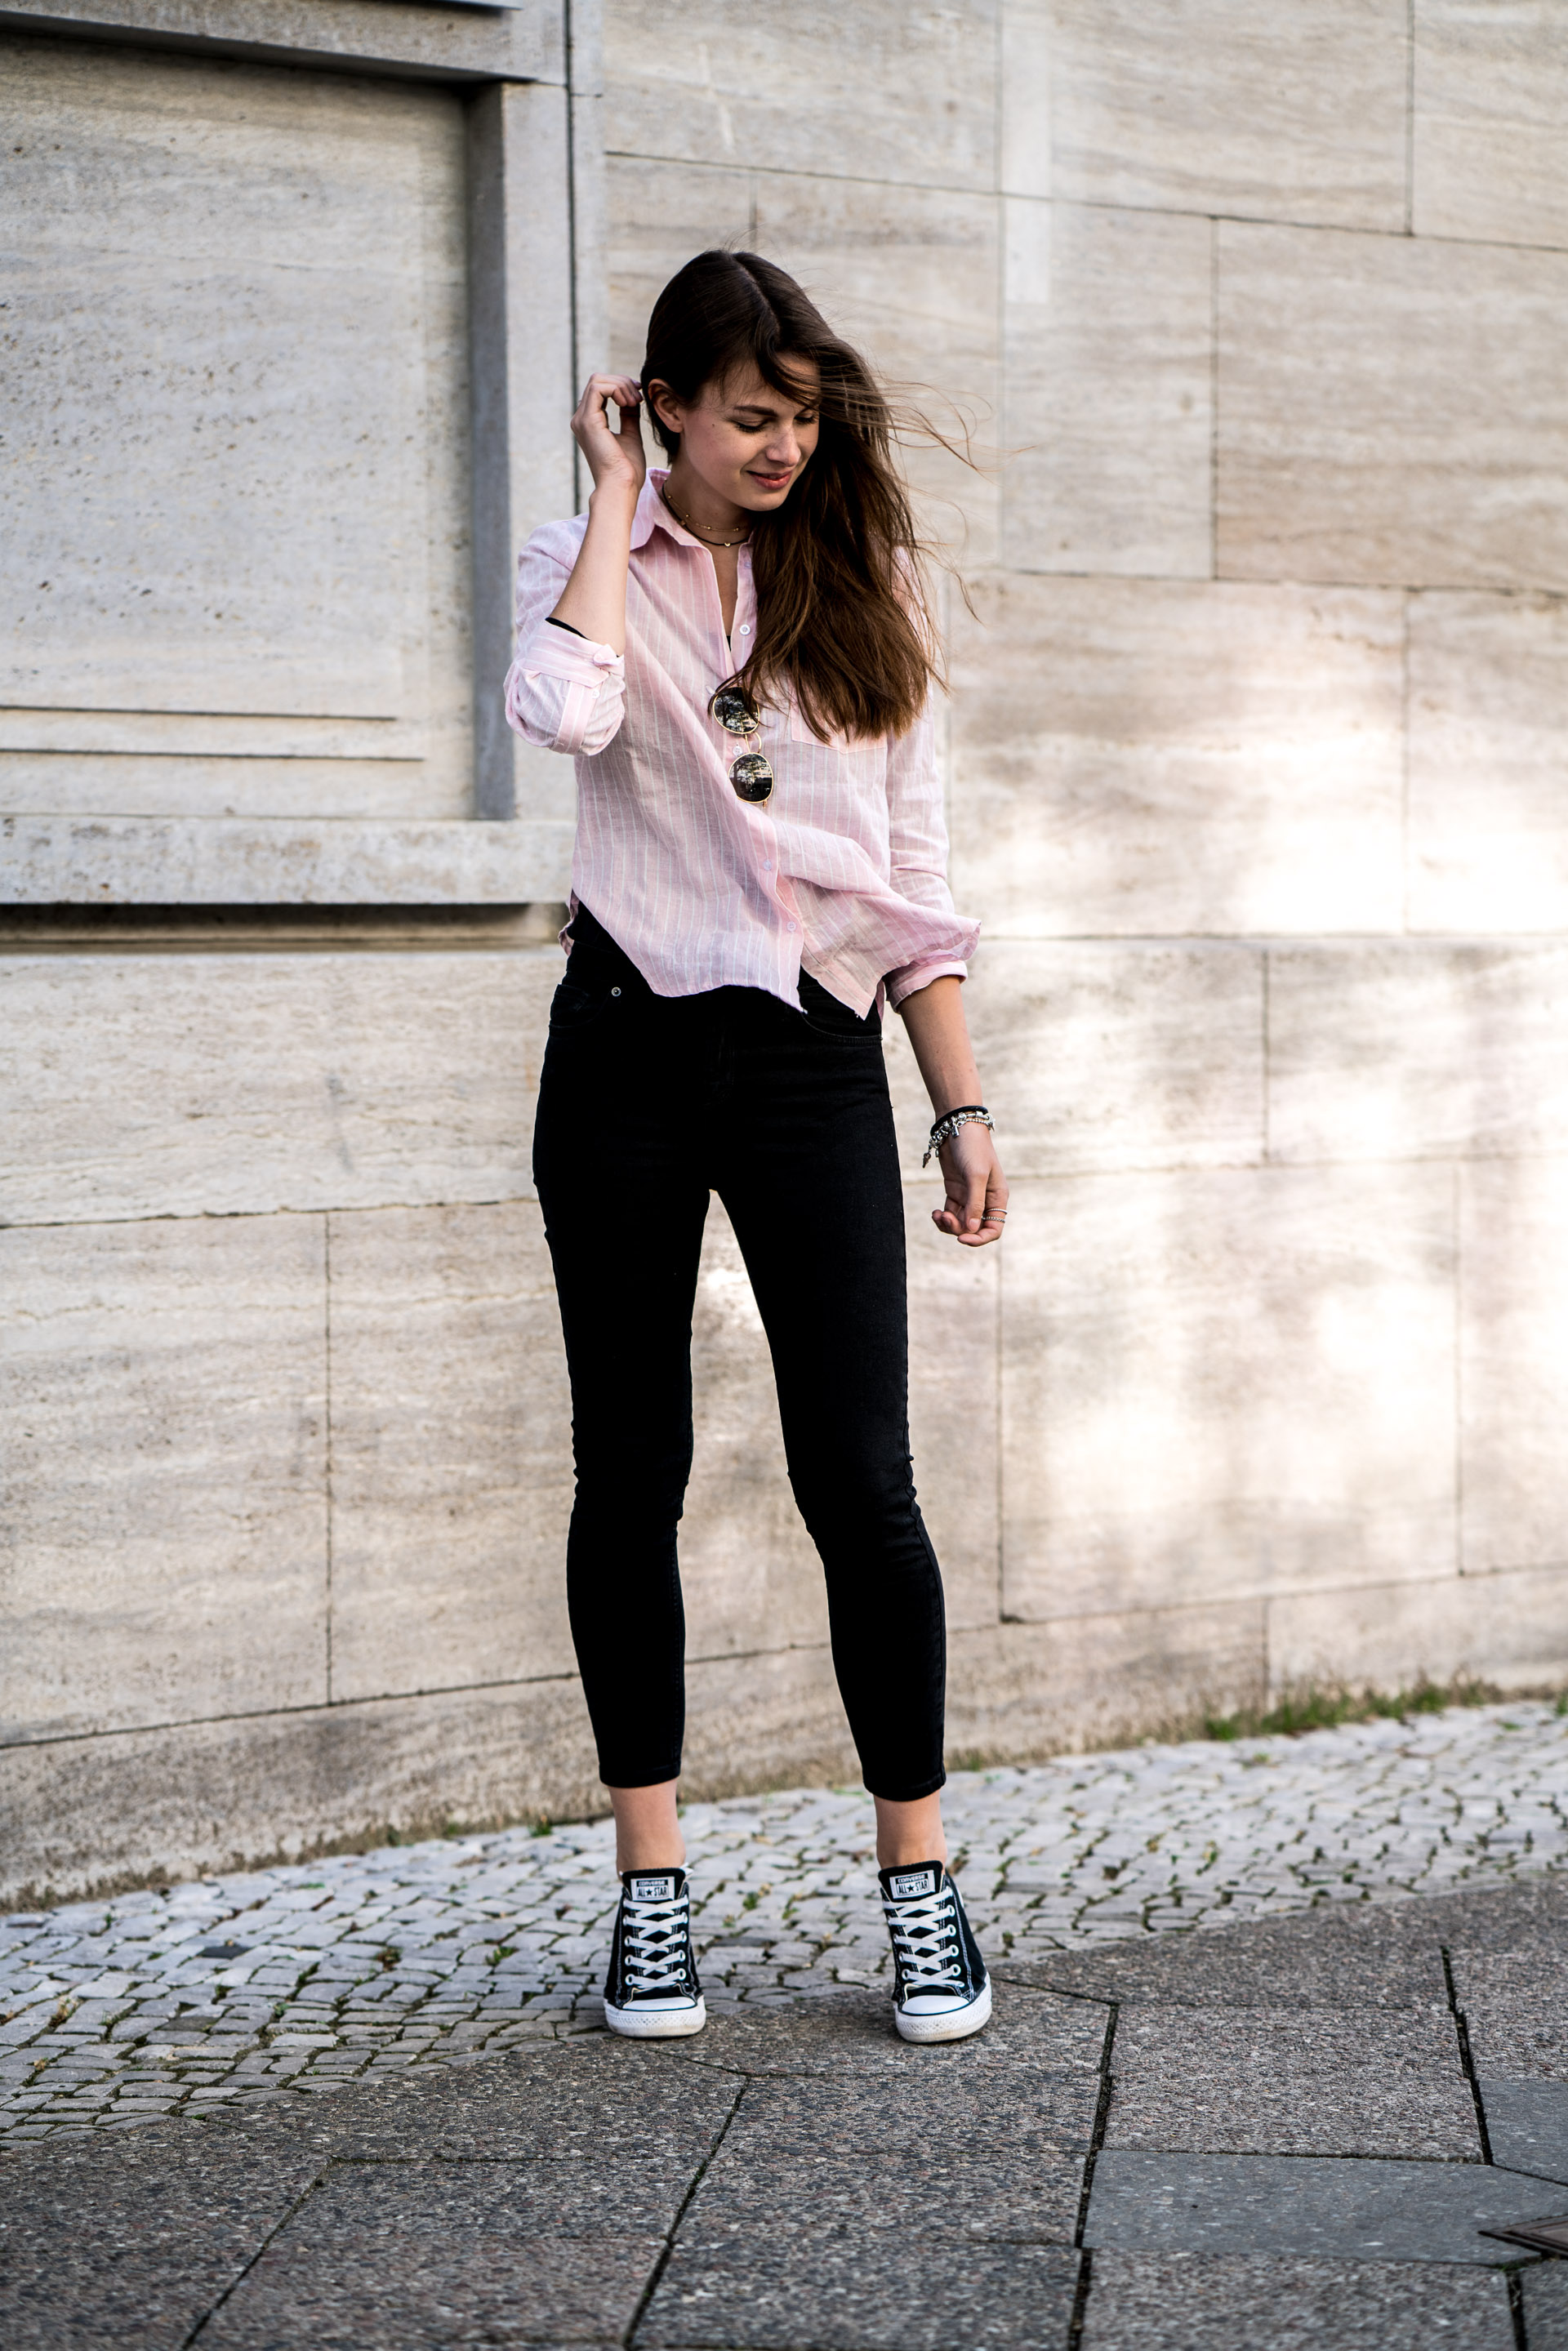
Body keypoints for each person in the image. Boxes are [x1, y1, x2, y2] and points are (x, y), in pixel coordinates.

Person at [505, 249, 1007, 2046]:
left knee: (860, 1479)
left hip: (812, 1055)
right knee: (626, 1470)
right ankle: (651, 1893)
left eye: (800, 414)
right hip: (626, 1053)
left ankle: (920, 1881)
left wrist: (957, 1100)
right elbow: (555, 716)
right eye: (748, 416)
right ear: (668, 408)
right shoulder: (589, 568)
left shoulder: (866, 586)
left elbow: (914, 877)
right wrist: (616, 499)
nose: (784, 444)